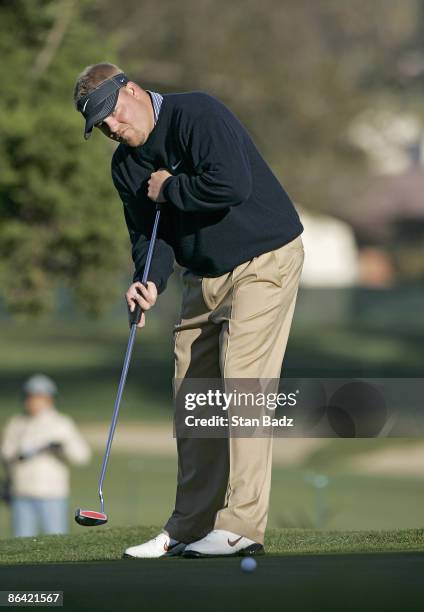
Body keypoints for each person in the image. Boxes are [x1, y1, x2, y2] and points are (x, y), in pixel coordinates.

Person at [73, 63, 304, 558]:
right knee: (193, 395)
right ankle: (190, 525)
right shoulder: (126, 166)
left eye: (111, 114)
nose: (112, 128)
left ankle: (241, 524)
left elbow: (231, 185)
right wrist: (149, 282)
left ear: (131, 90)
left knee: (242, 382)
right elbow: (149, 237)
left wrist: (170, 188)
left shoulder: (197, 113)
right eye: (101, 126)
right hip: (203, 274)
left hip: (265, 258)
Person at [0, 375, 91, 537]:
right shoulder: (17, 423)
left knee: (56, 538)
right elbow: (6, 455)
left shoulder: (61, 423)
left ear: (49, 399)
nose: (33, 402)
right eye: (30, 397)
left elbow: (82, 456)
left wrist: (60, 449)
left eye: (39, 397)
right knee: (22, 541)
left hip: (53, 494)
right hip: (21, 493)